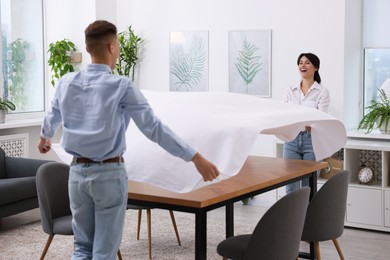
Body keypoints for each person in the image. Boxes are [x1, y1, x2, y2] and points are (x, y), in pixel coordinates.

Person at [38, 20, 219, 260]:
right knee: (104, 251)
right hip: (108, 175)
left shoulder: (65, 83)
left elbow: (51, 117)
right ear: (112, 46)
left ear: (89, 47)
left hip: (77, 175)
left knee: (82, 247)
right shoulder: (121, 86)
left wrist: (44, 138)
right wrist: (195, 157)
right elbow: (153, 128)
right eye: (119, 46)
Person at [282, 53, 330, 194]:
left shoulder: (322, 92)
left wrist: (305, 122)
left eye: (307, 62)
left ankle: (308, 216)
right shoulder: (289, 91)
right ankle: (292, 216)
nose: (303, 65)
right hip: (291, 140)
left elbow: (321, 118)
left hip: (312, 141)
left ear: (315, 67)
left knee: (308, 185)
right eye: (300, 62)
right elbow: (284, 115)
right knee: (291, 185)